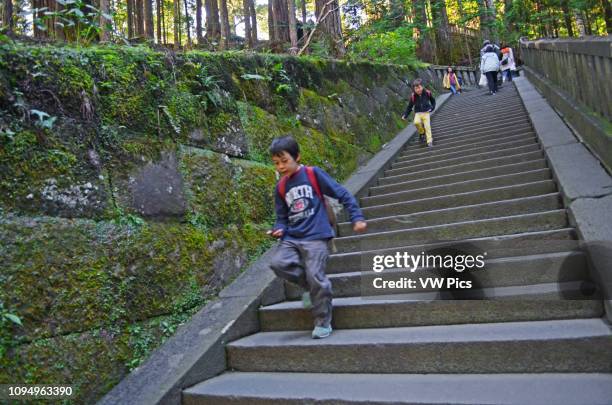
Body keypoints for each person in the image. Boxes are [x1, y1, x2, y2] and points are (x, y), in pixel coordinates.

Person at [268, 135, 367, 339]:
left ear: (297, 157)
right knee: (278, 264)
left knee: (316, 276)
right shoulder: (280, 187)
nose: (280, 167)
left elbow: (343, 194)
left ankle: (323, 321)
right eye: (276, 163)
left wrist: (356, 217)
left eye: (284, 161)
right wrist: (278, 229)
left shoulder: (313, 174)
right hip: (292, 237)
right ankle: (311, 290)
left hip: (316, 236)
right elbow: (281, 217)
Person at [401, 78, 436, 147]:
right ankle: (422, 132)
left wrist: (432, 108)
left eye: (419, 87)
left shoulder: (427, 93)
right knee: (416, 122)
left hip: (426, 112)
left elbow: (433, 101)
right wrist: (405, 115)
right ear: (414, 89)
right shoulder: (413, 96)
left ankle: (429, 141)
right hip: (418, 113)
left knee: (427, 127)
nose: (418, 90)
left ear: (422, 87)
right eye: (416, 88)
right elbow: (409, 107)